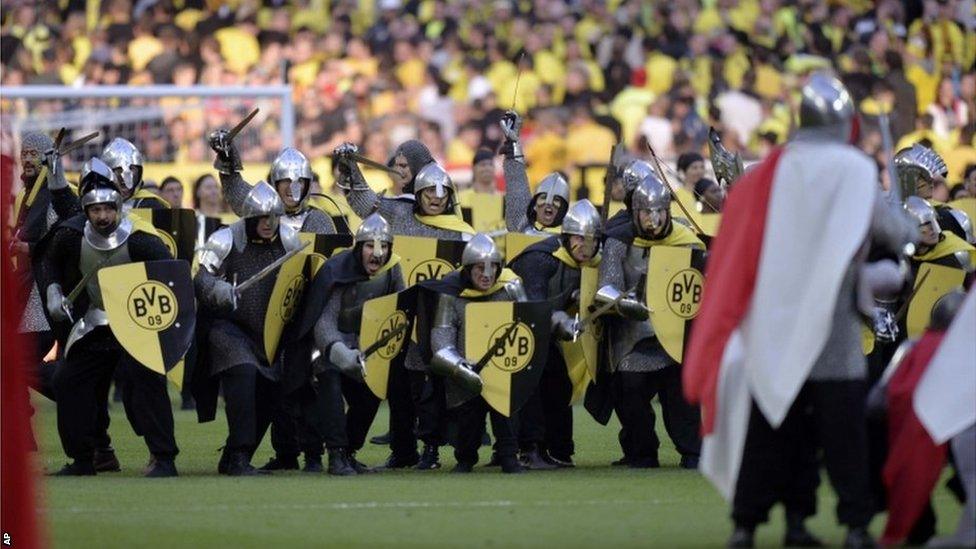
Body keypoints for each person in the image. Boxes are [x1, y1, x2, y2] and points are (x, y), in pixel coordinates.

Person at [683, 72, 917, 548]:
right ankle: (853, 526)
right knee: (841, 433)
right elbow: (895, 232)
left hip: (776, 319)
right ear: (844, 120)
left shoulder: (773, 168)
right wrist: (904, 225)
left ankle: (750, 525)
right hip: (832, 318)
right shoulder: (853, 168)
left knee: (774, 427)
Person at [336, 145, 475, 470]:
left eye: (441, 193)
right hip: (401, 313)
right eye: (429, 192)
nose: (435, 198)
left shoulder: (462, 232)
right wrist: (349, 165)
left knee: (433, 393)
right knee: (397, 388)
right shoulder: (399, 213)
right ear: (420, 192)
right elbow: (363, 202)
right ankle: (403, 451)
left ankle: (433, 450)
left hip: (441, 318)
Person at [40, 157, 178, 477]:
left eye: (107, 209)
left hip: (136, 324)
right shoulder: (71, 236)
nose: (102, 216)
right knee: (67, 379)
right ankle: (83, 459)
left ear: (117, 206)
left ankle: (164, 458)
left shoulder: (142, 239)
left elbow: (171, 278)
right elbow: (48, 261)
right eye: (95, 210)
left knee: (145, 379)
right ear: (86, 211)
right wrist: (53, 291)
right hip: (95, 323)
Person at [193, 180, 305, 476]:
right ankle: (241, 457)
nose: (268, 224)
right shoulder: (225, 239)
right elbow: (201, 278)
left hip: (268, 332)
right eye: (261, 218)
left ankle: (233, 455)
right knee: (244, 375)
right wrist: (218, 289)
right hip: (228, 328)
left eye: (273, 217)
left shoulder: (290, 241)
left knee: (271, 390)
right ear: (249, 218)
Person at [597, 172, 704, 470]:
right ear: (635, 212)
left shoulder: (685, 239)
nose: (653, 218)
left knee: (683, 396)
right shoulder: (619, 240)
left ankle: (694, 451)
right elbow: (606, 289)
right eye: (646, 212)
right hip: (633, 334)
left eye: (659, 211)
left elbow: (698, 284)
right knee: (629, 391)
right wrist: (629, 305)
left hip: (675, 333)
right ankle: (642, 452)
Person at [291, 213, 406, 475]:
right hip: (326, 348)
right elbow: (325, 321)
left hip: (368, 348)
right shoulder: (337, 269)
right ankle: (336, 454)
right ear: (359, 247)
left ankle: (350, 450)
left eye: (384, 246)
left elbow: (399, 310)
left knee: (372, 391)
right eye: (369, 246)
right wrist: (341, 352)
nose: (377, 253)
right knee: (330, 379)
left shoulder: (392, 271)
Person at [508, 199, 603, 468]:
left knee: (560, 383)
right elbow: (533, 305)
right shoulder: (540, 259)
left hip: (545, 333)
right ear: (566, 237)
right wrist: (560, 317)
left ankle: (559, 449)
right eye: (579, 239)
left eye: (592, 240)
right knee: (533, 386)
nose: (585, 246)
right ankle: (530, 449)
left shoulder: (593, 260)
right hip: (517, 327)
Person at [427, 233, 526, 474]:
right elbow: (441, 338)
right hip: (466, 370)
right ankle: (465, 458)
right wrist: (460, 368)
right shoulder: (452, 291)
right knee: (468, 423)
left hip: (503, 367)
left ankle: (508, 456)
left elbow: (527, 325)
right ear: (468, 269)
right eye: (480, 268)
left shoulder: (511, 287)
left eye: (493, 267)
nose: (487, 274)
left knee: (506, 416)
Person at [208, 132, 336, 235]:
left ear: (308, 185)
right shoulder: (259, 207)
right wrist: (227, 154)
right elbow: (235, 188)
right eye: (286, 181)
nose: (292, 187)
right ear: (275, 183)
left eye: (300, 181)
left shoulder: (319, 221)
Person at [499, 111, 571, 235]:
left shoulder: (540, 142)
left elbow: (527, 159)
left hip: (539, 181)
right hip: (560, 182)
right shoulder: (560, 142)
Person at [895, 144, 973, 244]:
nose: (930, 186)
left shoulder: (955, 218)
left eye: (934, 182)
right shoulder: (892, 221)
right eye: (922, 179)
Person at [101, 137, 170, 209]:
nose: (124, 177)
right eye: (119, 170)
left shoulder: (151, 204)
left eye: (132, 169)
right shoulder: (95, 204)